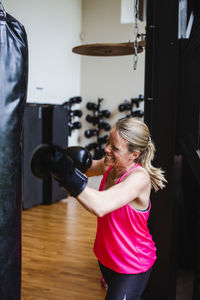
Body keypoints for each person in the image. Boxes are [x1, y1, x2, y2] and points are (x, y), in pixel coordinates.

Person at [31, 117, 167, 300]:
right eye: (108, 142)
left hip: (132, 264)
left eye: (115, 147)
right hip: (107, 257)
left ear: (134, 155)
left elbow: (101, 205)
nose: (107, 149)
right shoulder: (110, 165)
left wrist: (66, 174)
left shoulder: (139, 178)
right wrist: (59, 160)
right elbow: (86, 168)